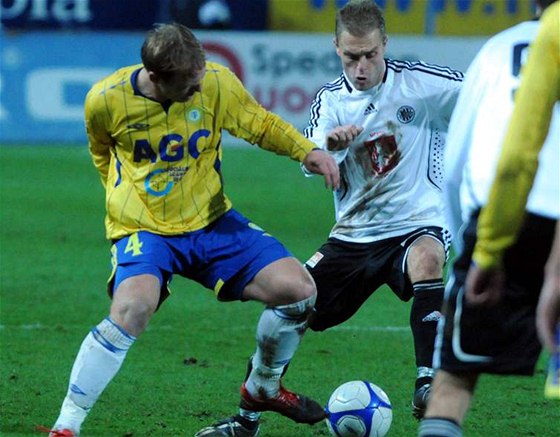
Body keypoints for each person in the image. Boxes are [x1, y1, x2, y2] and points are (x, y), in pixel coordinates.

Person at [45, 23, 341, 437]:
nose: (199, 89)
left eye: (201, 78)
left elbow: (258, 123)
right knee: (133, 308)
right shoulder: (106, 100)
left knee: (298, 291)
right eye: (188, 85)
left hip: (212, 221)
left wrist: (306, 150)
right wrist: (122, 199)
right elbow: (101, 151)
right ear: (156, 77)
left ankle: (263, 386)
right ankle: (66, 425)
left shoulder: (216, 81)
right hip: (144, 229)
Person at [196, 3, 462, 435]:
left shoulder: (423, 84)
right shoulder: (331, 101)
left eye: (370, 55)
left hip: (417, 221)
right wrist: (330, 148)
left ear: (385, 45)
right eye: (351, 56)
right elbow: (313, 150)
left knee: (428, 257)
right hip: (353, 236)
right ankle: (246, 420)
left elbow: (488, 97)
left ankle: (428, 382)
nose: (361, 67)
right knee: (290, 301)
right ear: (336, 47)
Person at [419, 1, 560, 435]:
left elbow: (462, 159)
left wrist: (477, 251)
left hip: (508, 216)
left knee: (453, 381)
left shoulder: (499, 50)